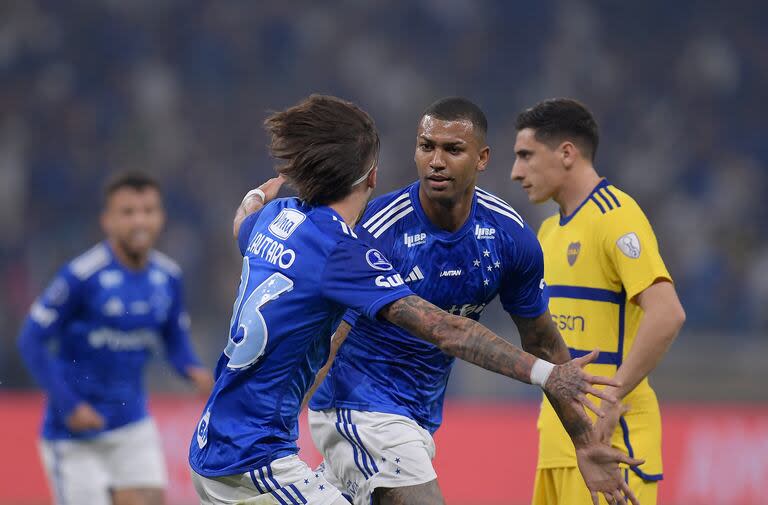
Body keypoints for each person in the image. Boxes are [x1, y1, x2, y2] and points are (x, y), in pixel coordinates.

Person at [187, 94, 637, 505]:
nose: (436, 161)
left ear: (482, 159)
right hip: (347, 411)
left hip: (386, 422)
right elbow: (441, 330)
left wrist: (583, 438)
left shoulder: (277, 217)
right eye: (427, 147)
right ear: (376, 173)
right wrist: (546, 375)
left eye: (453, 150)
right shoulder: (361, 243)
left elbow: (244, 226)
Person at [510, 98, 686, 505]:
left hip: (611, 445)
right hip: (560, 445)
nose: (516, 172)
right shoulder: (549, 232)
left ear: (566, 152)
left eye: (525, 156)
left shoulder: (615, 215)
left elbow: (667, 313)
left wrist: (613, 398)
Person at [17, 172, 214, 505]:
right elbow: (31, 340)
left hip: (131, 425)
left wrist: (192, 369)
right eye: (128, 212)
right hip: (74, 435)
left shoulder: (168, 277)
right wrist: (70, 405)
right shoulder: (81, 276)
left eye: (148, 210)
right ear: (107, 221)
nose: (140, 220)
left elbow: (174, 337)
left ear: (161, 217)